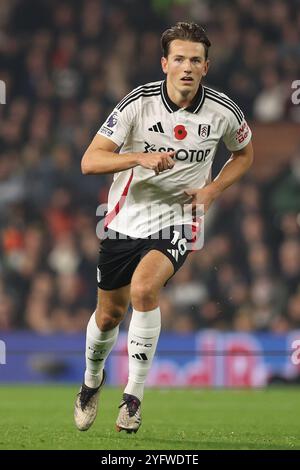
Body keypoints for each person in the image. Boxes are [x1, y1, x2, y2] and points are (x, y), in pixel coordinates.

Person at [74, 21, 253, 433]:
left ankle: (133, 398)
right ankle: (90, 383)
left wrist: (211, 190)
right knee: (107, 317)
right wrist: (139, 157)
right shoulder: (138, 103)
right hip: (122, 221)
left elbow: (244, 155)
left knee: (143, 289)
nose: (187, 67)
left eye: (195, 59)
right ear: (165, 63)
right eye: (179, 59)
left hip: (180, 220)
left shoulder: (224, 111)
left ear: (206, 66)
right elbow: (90, 161)